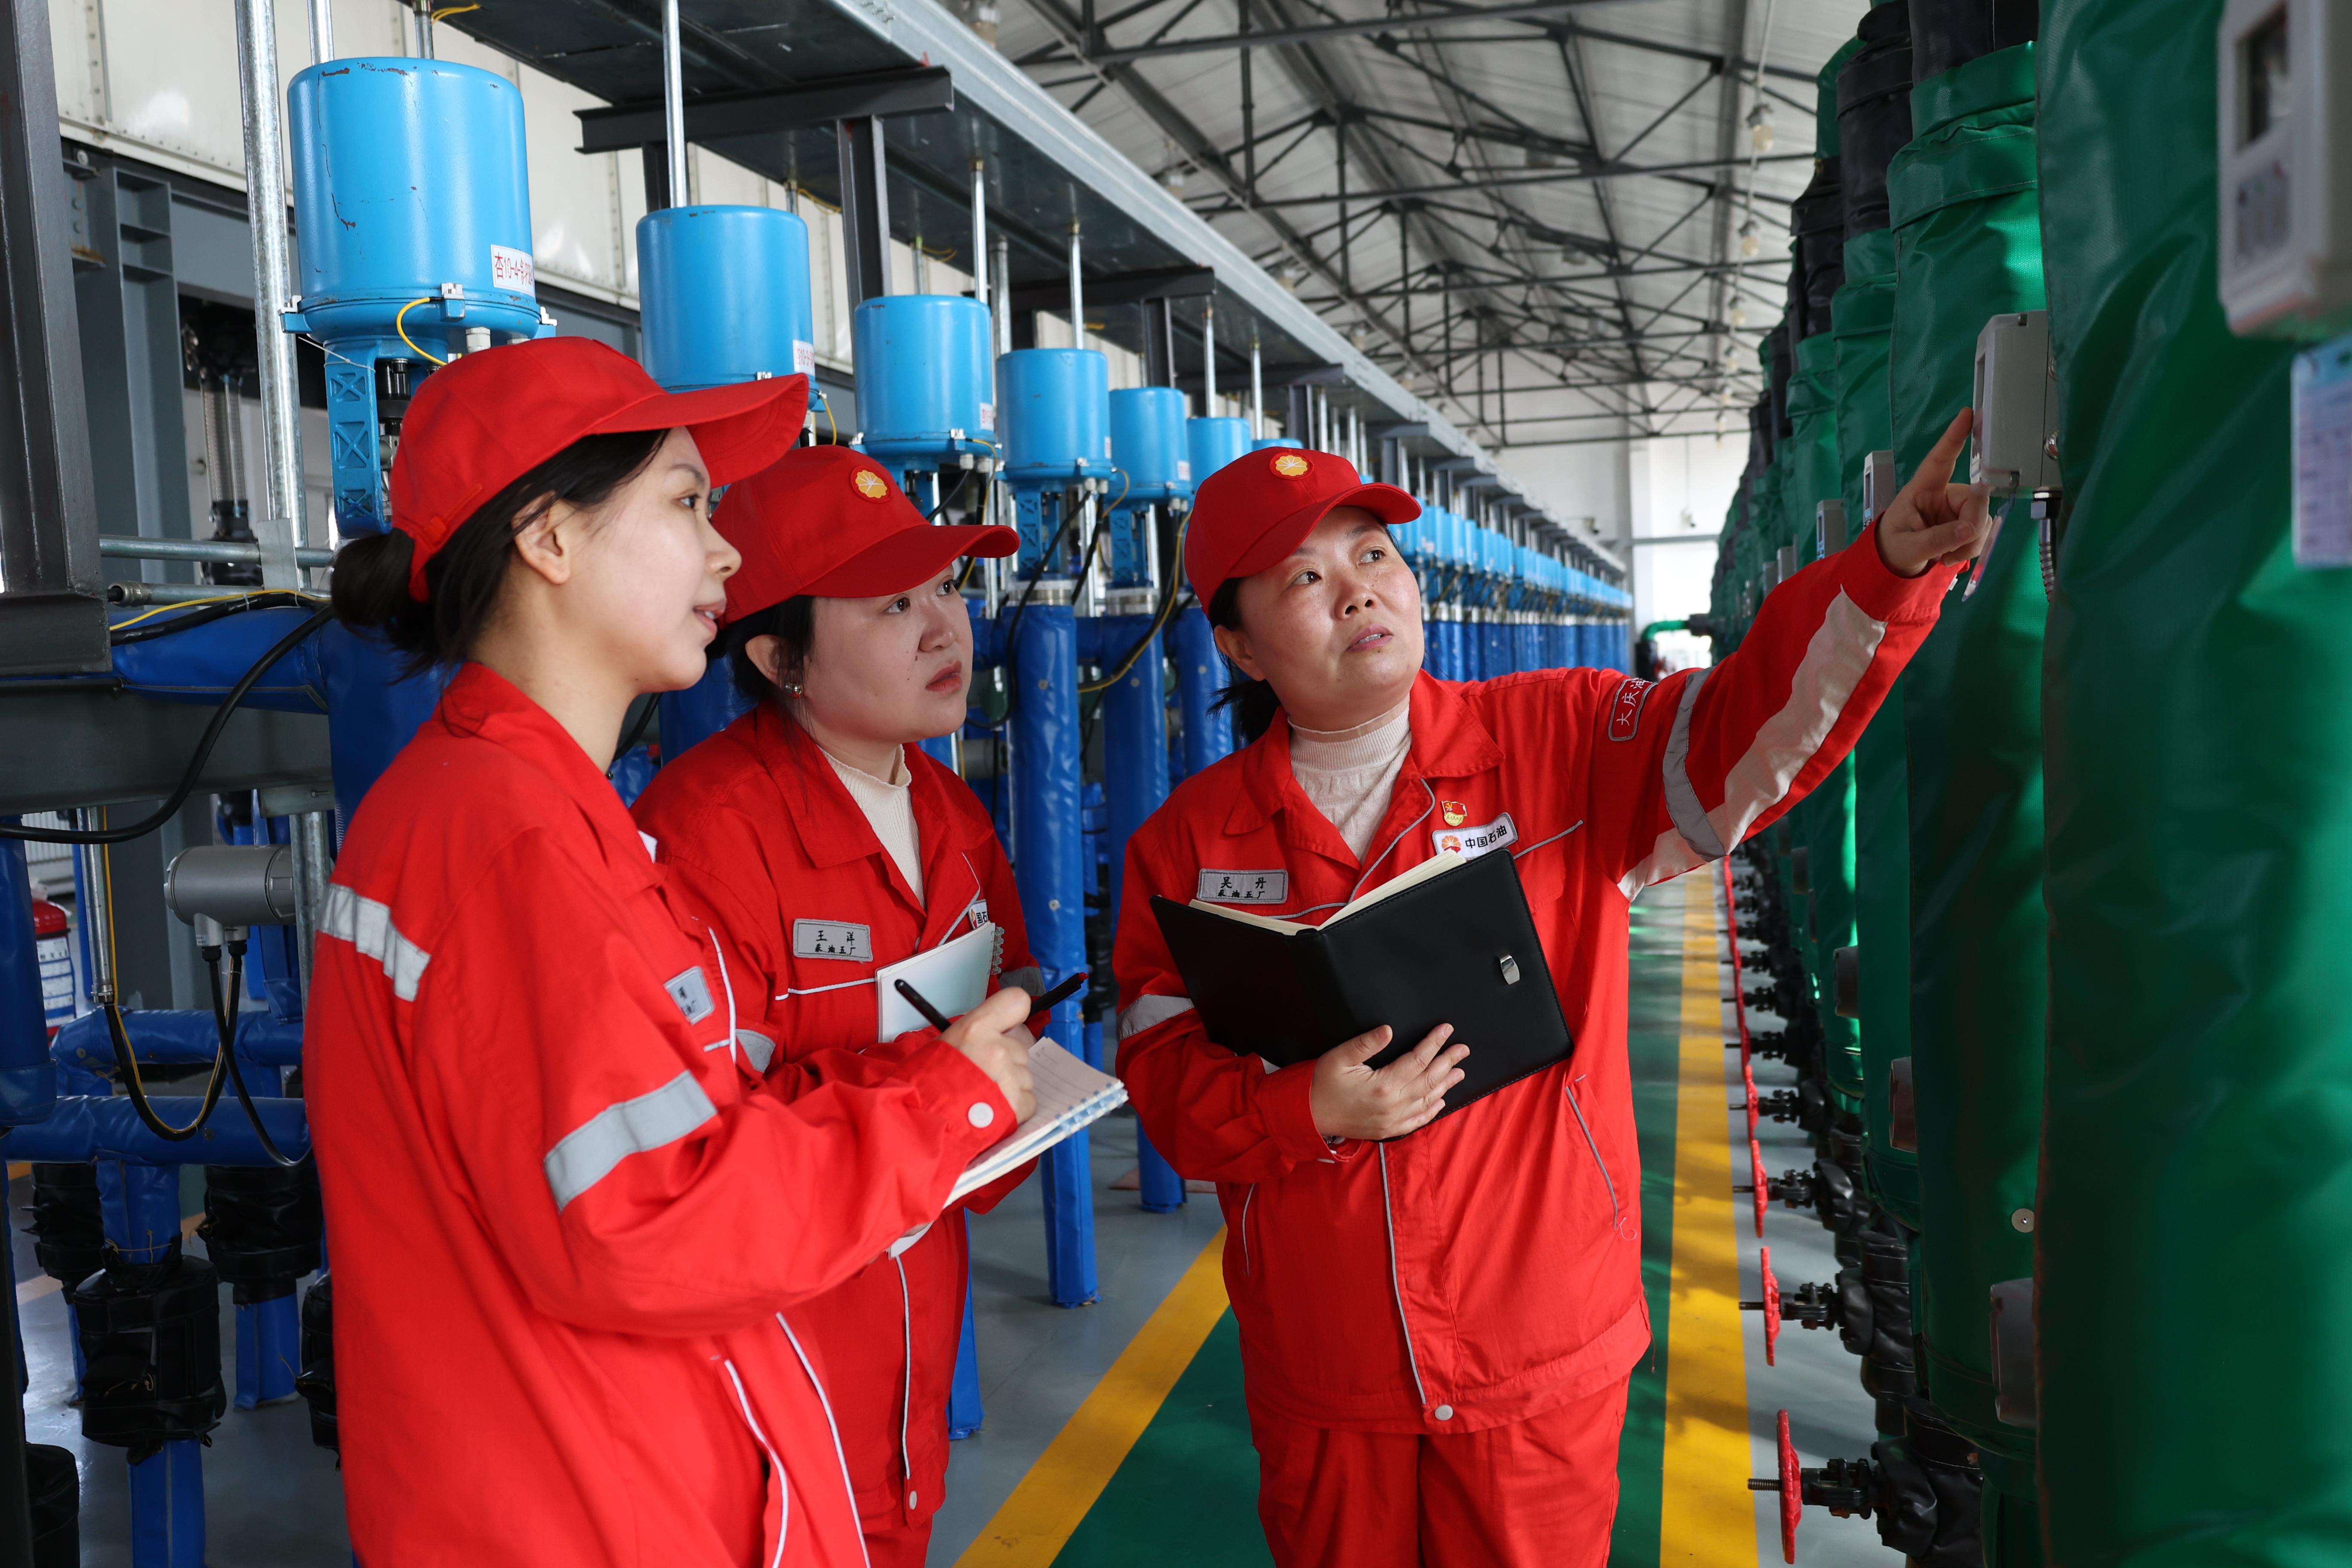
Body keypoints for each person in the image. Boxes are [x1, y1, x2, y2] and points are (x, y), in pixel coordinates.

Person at [1112, 420, 1992, 1568]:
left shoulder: (1564, 740)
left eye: (1372, 556)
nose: (1358, 592)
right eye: (1304, 580)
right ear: (1238, 646)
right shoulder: (1186, 846)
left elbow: (1749, 725)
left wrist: (1882, 574)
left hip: (1534, 1346)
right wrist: (1303, 1109)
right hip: (1328, 1365)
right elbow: (1163, 1075)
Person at [306, 336, 1041, 1568]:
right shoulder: (513, 842)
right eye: (689, 504)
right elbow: (650, 1221)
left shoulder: (522, 811)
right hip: (586, 1508)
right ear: (549, 539)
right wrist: (941, 1109)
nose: (725, 552)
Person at [631, 444, 1035, 1568]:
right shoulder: (710, 834)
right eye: (892, 604)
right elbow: (698, 1146)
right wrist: (942, 1094)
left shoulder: (951, 811)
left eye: (945, 588)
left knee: (894, 1521)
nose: (945, 628)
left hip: (914, 1315)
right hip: (776, 1345)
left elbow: (1014, 993)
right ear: (780, 658)